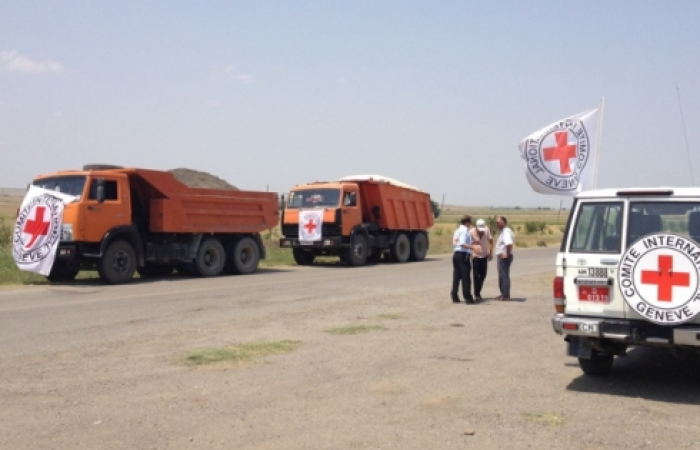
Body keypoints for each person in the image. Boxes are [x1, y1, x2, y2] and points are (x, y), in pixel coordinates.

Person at [451, 215, 480, 304]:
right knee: (466, 277)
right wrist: (473, 248)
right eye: (470, 222)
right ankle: (467, 297)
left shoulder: (458, 230)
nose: (470, 224)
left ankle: (454, 295)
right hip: (462, 255)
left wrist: (473, 243)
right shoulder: (465, 230)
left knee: (457, 276)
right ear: (467, 222)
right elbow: (462, 243)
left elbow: (458, 242)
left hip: (456, 254)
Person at [470, 218, 493, 301]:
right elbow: (468, 243)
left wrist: (490, 252)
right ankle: (477, 294)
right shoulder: (471, 232)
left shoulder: (486, 230)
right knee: (476, 276)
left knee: (483, 275)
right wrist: (471, 253)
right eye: (479, 229)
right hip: (475, 256)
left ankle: (478, 290)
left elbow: (491, 241)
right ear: (476, 227)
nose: (481, 231)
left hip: (484, 255)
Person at [495, 216, 514, 301]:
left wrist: (507, 254)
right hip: (503, 256)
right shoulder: (504, 231)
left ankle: (506, 295)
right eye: (496, 223)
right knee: (502, 276)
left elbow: (509, 244)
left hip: (504, 257)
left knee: (504, 276)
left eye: (498, 222)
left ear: (504, 223)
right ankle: (503, 293)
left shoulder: (506, 232)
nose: (497, 224)